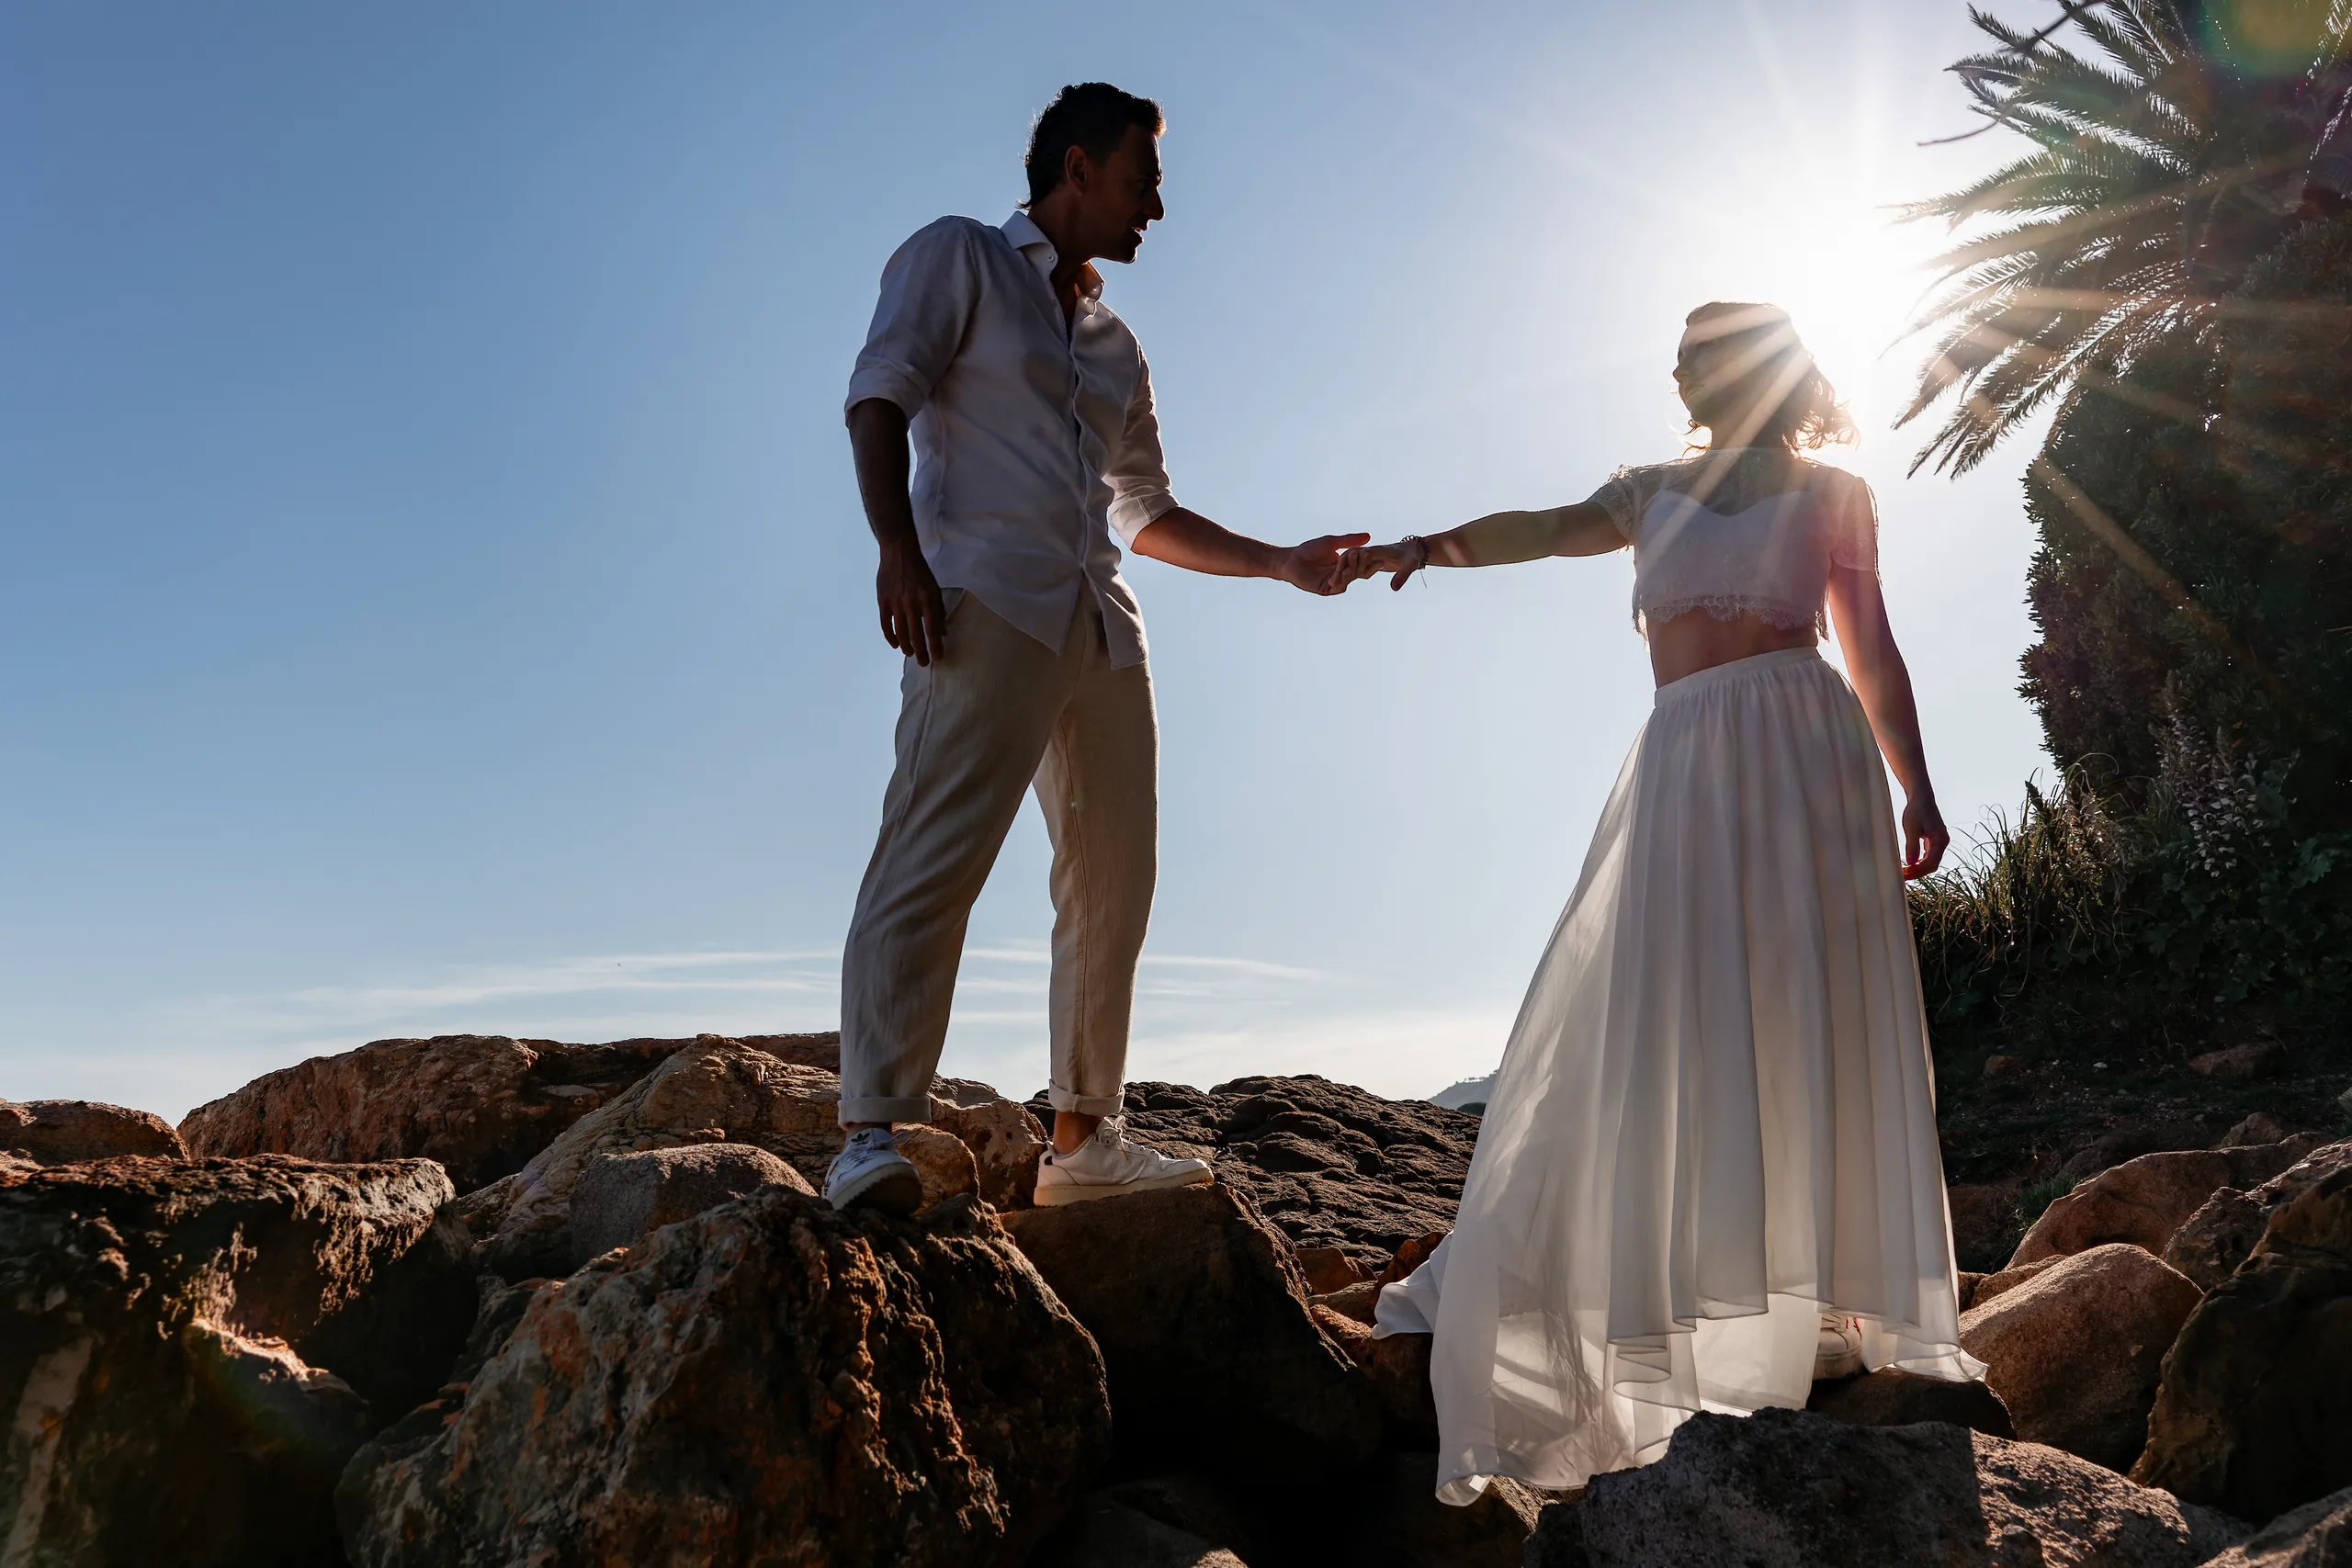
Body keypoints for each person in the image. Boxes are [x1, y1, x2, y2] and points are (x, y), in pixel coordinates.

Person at [1335, 302, 1984, 1500]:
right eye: (1687, 355)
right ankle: (1673, 1293)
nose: (1691, 368)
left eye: (1712, 351)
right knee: (1663, 1016)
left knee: (1800, 1013)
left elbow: (1873, 647)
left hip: (1806, 750)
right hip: (1688, 759)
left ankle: (1812, 1297)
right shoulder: (1647, 489)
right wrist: (1425, 546)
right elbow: (1542, 527)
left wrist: (1920, 789)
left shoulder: (1838, 493)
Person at [827, 83, 1366, 1214]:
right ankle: (872, 1132)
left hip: (1101, 627)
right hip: (980, 602)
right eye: (1142, 181)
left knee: (1115, 878)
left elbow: (1143, 508)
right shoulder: (959, 257)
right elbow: (879, 394)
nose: (1154, 209)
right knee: (933, 852)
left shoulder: (1119, 342)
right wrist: (895, 550)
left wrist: (1279, 561)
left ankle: (1083, 1138)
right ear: (1076, 170)